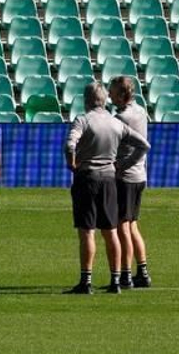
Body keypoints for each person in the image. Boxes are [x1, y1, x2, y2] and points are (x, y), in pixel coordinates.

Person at [64, 82, 149, 295]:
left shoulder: (83, 120)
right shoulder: (115, 122)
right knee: (111, 231)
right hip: (110, 180)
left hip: (88, 178)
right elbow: (144, 145)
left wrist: (71, 162)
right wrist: (121, 164)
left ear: (86, 100)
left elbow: (70, 144)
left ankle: (86, 281)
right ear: (103, 100)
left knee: (87, 232)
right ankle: (116, 281)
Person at [109, 75, 152, 289]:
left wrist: (120, 165)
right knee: (132, 224)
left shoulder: (121, 119)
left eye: (112, 91)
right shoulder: (141, 111)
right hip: (140, 176)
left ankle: (125, 274)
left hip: (125, 178)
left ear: (121, 95)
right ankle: (142, 271)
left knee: (121, 226)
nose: (109, 94)